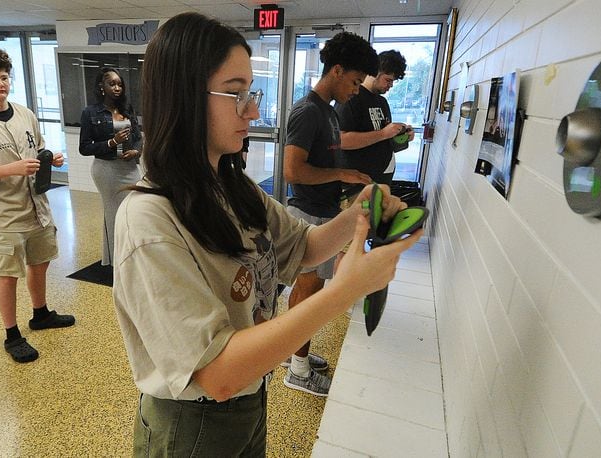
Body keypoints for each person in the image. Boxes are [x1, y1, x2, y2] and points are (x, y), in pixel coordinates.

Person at [112, 13, 421, 456]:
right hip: (193, 420)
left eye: (250, 93)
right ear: (184, 99)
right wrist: (345, 291)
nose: (253, 110)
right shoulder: (150, 221)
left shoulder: (232, 187)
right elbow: (217, 374)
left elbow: (304, 247)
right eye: (236, 94)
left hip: (250, 395)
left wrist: (360, 212)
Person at [0, 44, 75, 364]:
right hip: (3, 214)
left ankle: (41, 313)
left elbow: (39, 150)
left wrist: (52, 159)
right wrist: (12, 168)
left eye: (4, 77)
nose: (0, 84)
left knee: (40, 262)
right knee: (8, 274)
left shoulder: (25, 114)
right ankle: (12, 333)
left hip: (37, 208)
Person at [281, 31, 378, 396]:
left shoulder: (329, 112)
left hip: (323, 209)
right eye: (354, 81)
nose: (357, 89)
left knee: (310, 290)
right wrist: (339, 174)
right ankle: (298, 371)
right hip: (308, 213)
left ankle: (293, 354)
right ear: (336, 71)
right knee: (308, 292)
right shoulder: (308, 112)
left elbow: (325, 160)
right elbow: (293, 170)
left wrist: (346, 181)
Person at [78, 68, 142, 266]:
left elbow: (138, 138)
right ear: (101, 87)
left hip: (130, 168)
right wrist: (111, 143)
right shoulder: (90, 113)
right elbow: (84, 147)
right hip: (106, 170)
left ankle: (134, 252)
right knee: (114, 212)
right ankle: (117, 259)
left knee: (135, 208)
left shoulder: (126, 110)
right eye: (112, 83)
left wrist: (137, 152)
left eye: (119, 84)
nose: (117, 88)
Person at [335, 50, 413, 201]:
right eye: (388, 80)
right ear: (375, 72)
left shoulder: (381, 102)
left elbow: (384, 138)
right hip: (355, 186)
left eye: (393, 81)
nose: (390, 85)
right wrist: (384, 133)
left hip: (379, 180)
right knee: (357, 224)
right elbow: (341, 140)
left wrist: (402, 136)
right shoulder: (351, 98)